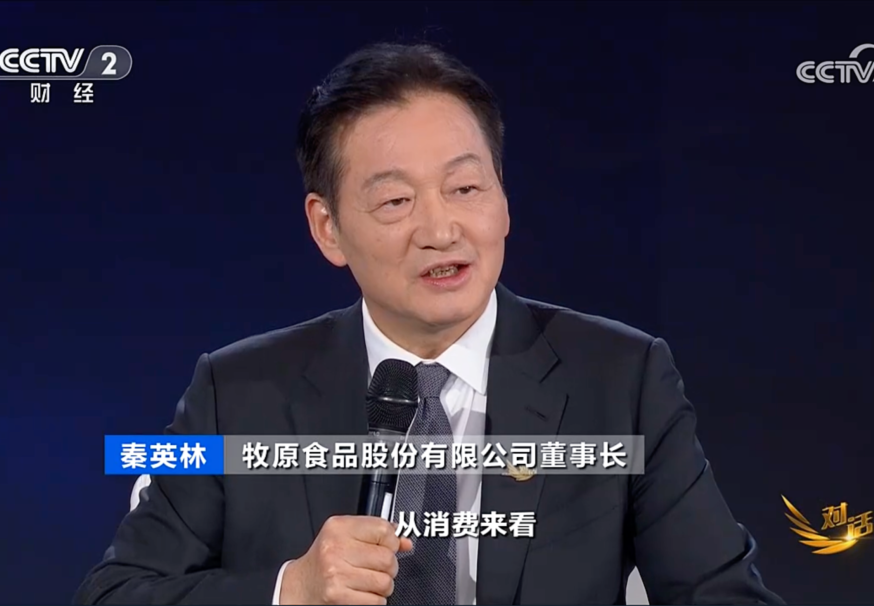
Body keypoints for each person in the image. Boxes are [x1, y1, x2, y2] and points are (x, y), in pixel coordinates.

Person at [74, 42, 783, 606]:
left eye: (466, 187)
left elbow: (720, 594)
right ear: (327, 228)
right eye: (395, 202)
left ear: (503, 200)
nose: (441, 230)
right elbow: (115, 594)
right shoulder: (234, 393)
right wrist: (291, 589)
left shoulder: (622, 378)